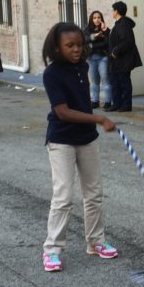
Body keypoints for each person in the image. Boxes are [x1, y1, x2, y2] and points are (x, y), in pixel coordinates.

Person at [41, 22, 119, 272]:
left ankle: (95, 242)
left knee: (94, 194)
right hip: (61, 140)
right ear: (57, 47)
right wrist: (98, 118)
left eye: (79, 44)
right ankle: (52, 250)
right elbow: (62, 112)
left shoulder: (82, 66)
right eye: (69, 45)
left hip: (86, 138)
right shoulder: (51, 74)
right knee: (63, 197)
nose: (76, 49)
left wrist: (93, 123)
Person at [108, 1, 142, 112]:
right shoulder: (119, 23)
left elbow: (127, 41)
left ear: (116, 11)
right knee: (115, 81)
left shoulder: (123, 24)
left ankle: (126, 105)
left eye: (113, 10)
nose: (112, 12)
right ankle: (117, 104)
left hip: (123, 59)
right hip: (116, 60)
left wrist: (115, 51)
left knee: (124, 82)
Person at [83, 10, 112, 109]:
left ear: (101, 19)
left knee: (105, 80)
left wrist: (92, 44)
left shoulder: (105, 29)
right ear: (91, 19)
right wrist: (94, 37)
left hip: (103, 58)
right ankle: (95, 101)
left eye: (99, 17)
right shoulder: (87, 29)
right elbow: (84, 40)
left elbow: (108, 42)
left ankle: (108, 101)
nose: (97, 19)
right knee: (94, 81)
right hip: (91, 59)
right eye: (94, 18)